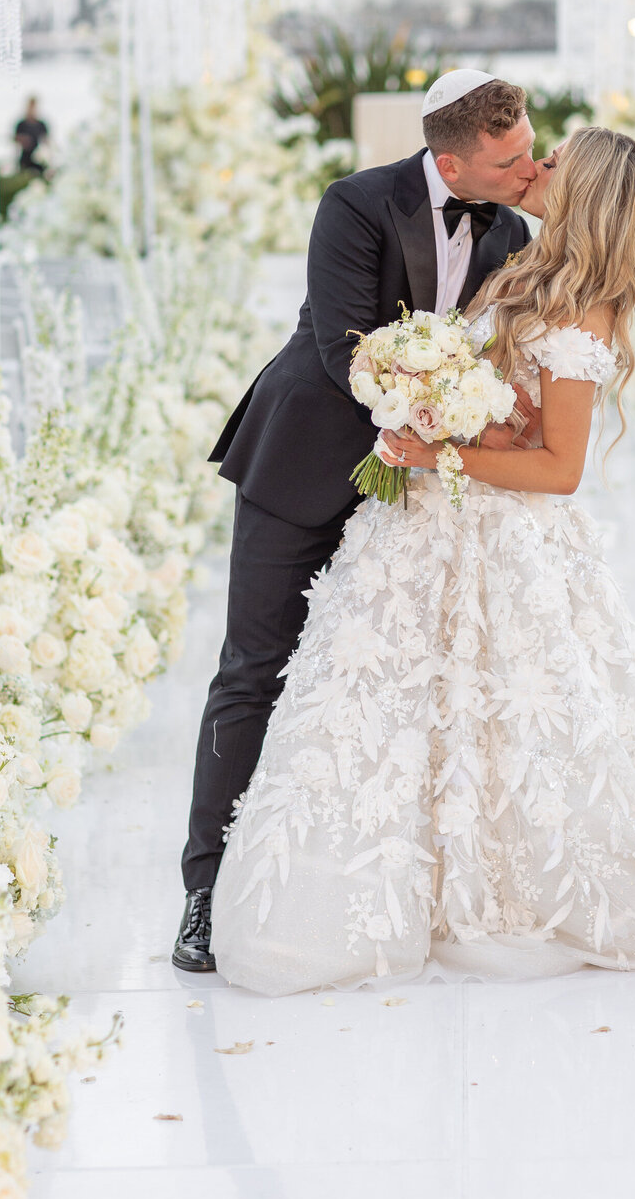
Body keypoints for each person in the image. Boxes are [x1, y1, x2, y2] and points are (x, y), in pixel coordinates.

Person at [209, 126, 635, 995]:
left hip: (501, 536)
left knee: (496, 716)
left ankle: (482, 878)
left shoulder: (584, 306)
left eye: (556, 162)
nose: (538, 168)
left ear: (588, 192)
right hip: (429, 526)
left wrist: (436, 454)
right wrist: (435, 404)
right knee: (396, 702)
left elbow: (559, 468)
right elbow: (506, 410)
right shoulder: (520, 261)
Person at [173, 72, 538, 972]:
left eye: (530, 147)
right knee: (252, 671)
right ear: (450, 161)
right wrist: (433, 407)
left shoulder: (516, 229)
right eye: (511, 158)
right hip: (302, 461)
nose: (529, 168)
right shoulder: (355, 203)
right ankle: (205, 896)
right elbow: (344, 346)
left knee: (380, 682)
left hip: (413, 487)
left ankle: (350, 891)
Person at [13, 97, 49, 175]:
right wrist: (24, 140)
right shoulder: (21, 124)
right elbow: (15, 138)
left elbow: (47, 140)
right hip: (25, 158)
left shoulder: (41, 124)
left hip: (39, 159)